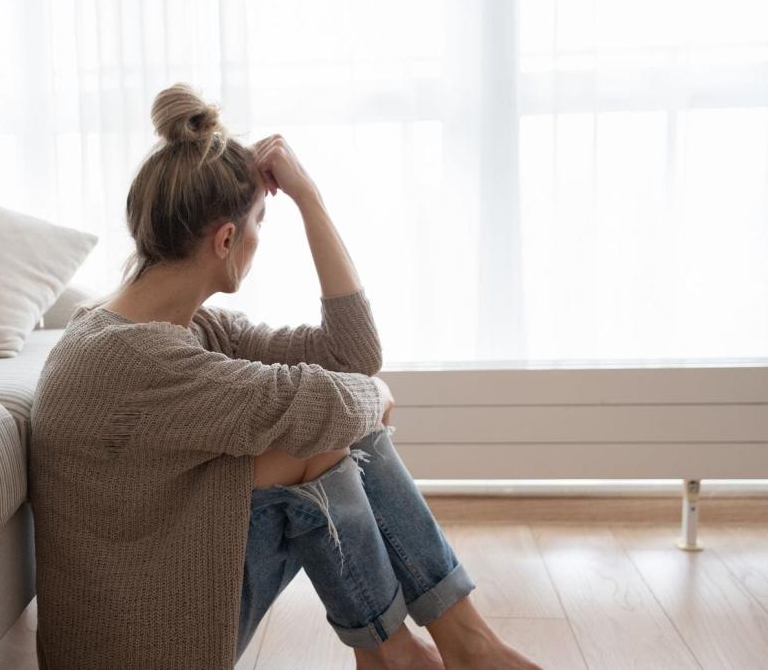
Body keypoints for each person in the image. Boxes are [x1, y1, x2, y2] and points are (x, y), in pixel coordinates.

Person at [28, 83, 542, 669]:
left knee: (325, 431)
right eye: (260, 223)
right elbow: (331, 397)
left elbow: (350, 351)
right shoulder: (135, 361)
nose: (257, 240)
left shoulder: (175, 329)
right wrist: (372, 396)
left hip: (163, 582)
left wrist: (309, 198)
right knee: (321, 438)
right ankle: (430, 650)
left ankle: (417, 651)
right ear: (226, 239)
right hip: (145, 646)